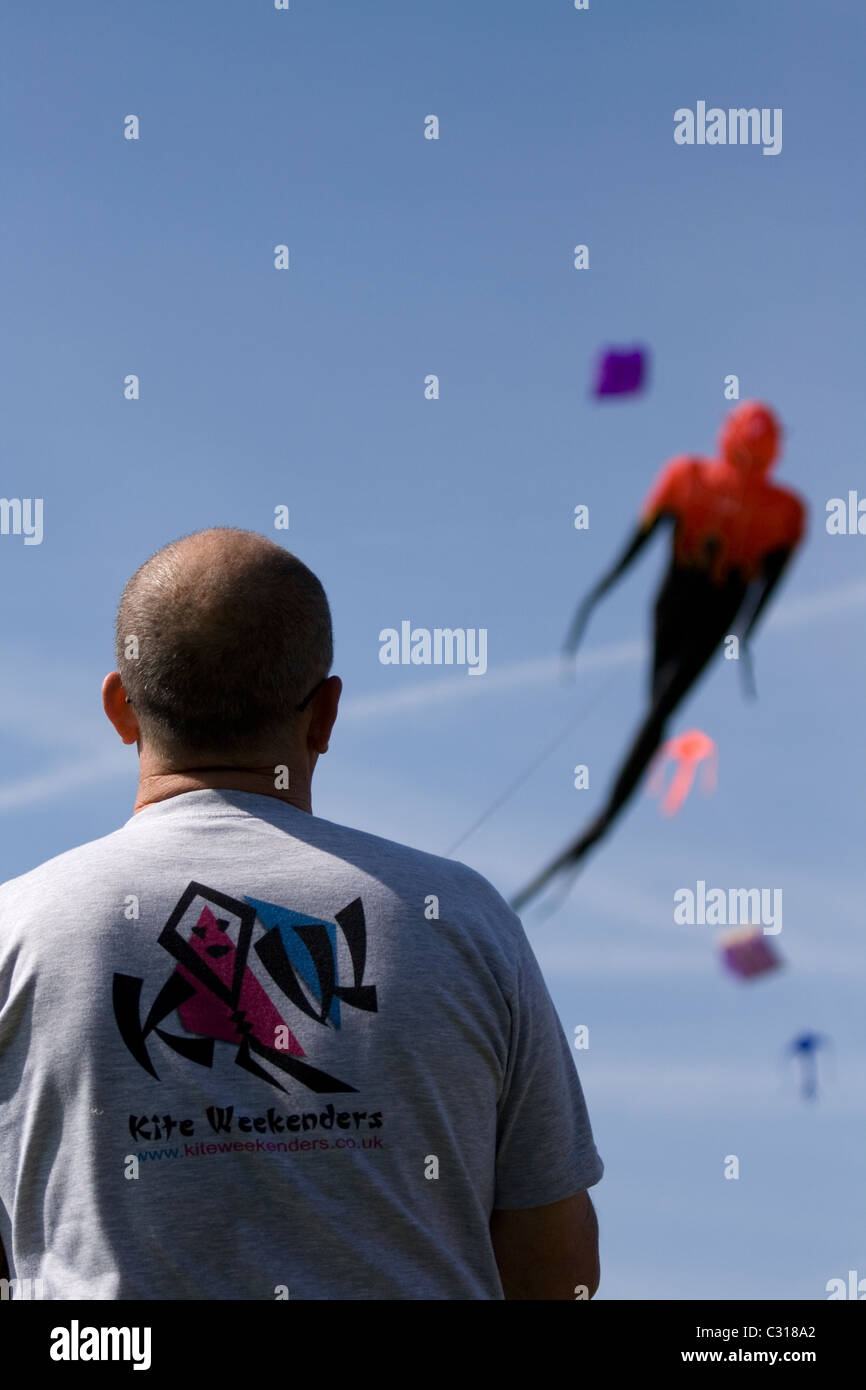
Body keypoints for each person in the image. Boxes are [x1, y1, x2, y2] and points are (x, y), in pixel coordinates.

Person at [0, 527, 602, 1301]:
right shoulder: (465, 921)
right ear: (325, 714)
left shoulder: (15, 930)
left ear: (121, 707)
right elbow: (556, 1272)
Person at [512, 401, 806, 911]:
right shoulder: (689, 478)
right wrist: (598, 594)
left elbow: (767, 584)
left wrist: (746, 637)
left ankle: (598, 827)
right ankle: (598, 827)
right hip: (679, 600)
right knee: (659, 707)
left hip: (715, 609)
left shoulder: (782, 512)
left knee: (661, 707)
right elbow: (640, 543)